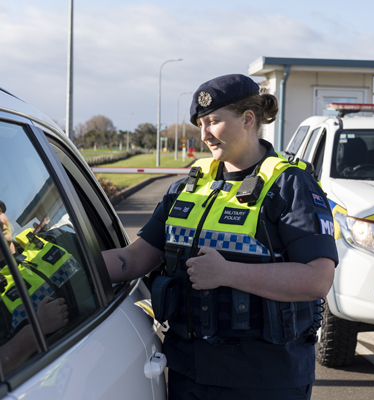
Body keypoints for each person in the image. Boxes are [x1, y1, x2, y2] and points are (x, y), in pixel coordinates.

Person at [103, 74, 338, 399]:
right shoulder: (187, 188)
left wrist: (228, 273)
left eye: (213, 121)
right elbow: (131, 260)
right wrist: (69, 273)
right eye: (201, 123)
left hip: (265, 381)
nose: (204, 134)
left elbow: (317, 279)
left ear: (248, 119)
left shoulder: (290, 186)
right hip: (188, 373)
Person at [0, 200, 69, 374]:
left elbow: (113, 264)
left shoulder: (51, 241)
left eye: (0, 212)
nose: (1, 221)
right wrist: (37, 328)